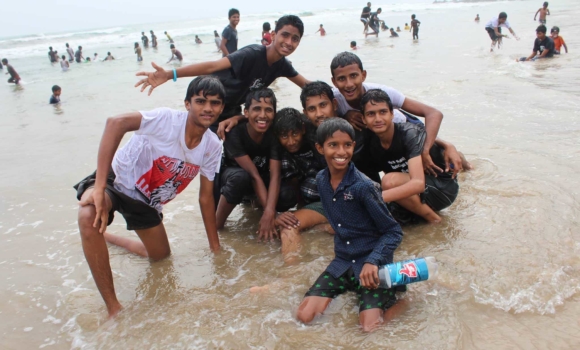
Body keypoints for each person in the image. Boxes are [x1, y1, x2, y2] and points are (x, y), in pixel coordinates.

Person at [74, 75, 224, 317]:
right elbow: (115, 123)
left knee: (161, 257)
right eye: (200, 101)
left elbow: (206, 198)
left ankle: (109, 238)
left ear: (222, 108)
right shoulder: (167, 120)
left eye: (215, 103)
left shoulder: (212, 146)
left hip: (146, 202)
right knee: (88, 214)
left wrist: (216, 249)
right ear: (187, 104)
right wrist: (100, 186)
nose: (208, 108)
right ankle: (113, 308)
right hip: (117, 180)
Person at [295, 118, 404, 332]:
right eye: (333, 145)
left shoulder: (364, 187)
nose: (341, 151)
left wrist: (373, 261)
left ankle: (401, 300)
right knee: (304, 316)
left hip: (372, 268)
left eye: (347, 145)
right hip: (343, 261)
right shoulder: (321, 180)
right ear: (320, 148)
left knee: (370, 328)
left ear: (353, 146)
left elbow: (393, 232)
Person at [135, 15, 309, 133]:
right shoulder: (252, 54)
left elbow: (307, 86)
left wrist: (335, 96)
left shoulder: (282, 65)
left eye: (295, 39)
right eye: (285, 35)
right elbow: (213, 66)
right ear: (273, 34)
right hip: (209, 105)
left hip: (232, 110)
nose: (289, 42)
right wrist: (171, 74)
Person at [328, 52, 464, 178]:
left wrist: (427, 149)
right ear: (334, 82)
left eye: (353, 76)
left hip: (405, 126)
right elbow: (313, 93)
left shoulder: (382, 91)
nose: (349, 84)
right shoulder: (334, 99)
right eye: (341, 79)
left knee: (443, 161)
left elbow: (433, 113)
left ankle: (465, 164)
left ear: (363, 75)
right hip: (380, 139)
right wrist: (345, 116)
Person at [361, 89, 460, 223]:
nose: (378, 119)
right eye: (371, 114)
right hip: (415, 188)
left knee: (389, 181)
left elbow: (418, 183)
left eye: (383, 112)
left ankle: (434, 219)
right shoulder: (372, 142)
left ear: (391, 114)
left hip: (442, 187)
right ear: (364, 119)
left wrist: (373, 198)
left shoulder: (408, 133)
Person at [216, 88, 293, 241]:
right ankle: (217, 225)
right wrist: (271, 213)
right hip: (234, 177)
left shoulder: (273, 135)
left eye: (268, 110)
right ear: (246, 112)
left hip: (259, 178)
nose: (263, 115)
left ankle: (257, 206)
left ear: (274, 114)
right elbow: (253, 175)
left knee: (287, 194)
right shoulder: (234, 132)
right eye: (257, 109)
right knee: (241, 177)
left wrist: (270, 213)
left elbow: (275, 175)